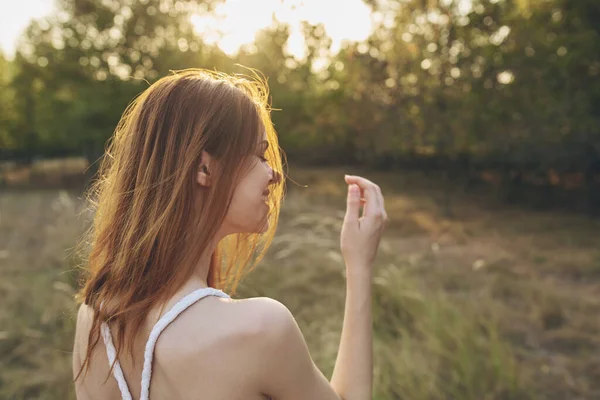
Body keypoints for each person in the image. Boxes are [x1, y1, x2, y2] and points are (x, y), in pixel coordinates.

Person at [72, 68, 388, 400]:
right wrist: (360, 265)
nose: (274, 173)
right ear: (204, 168)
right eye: (259, 154)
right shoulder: (261, 330)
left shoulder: (95, 321)